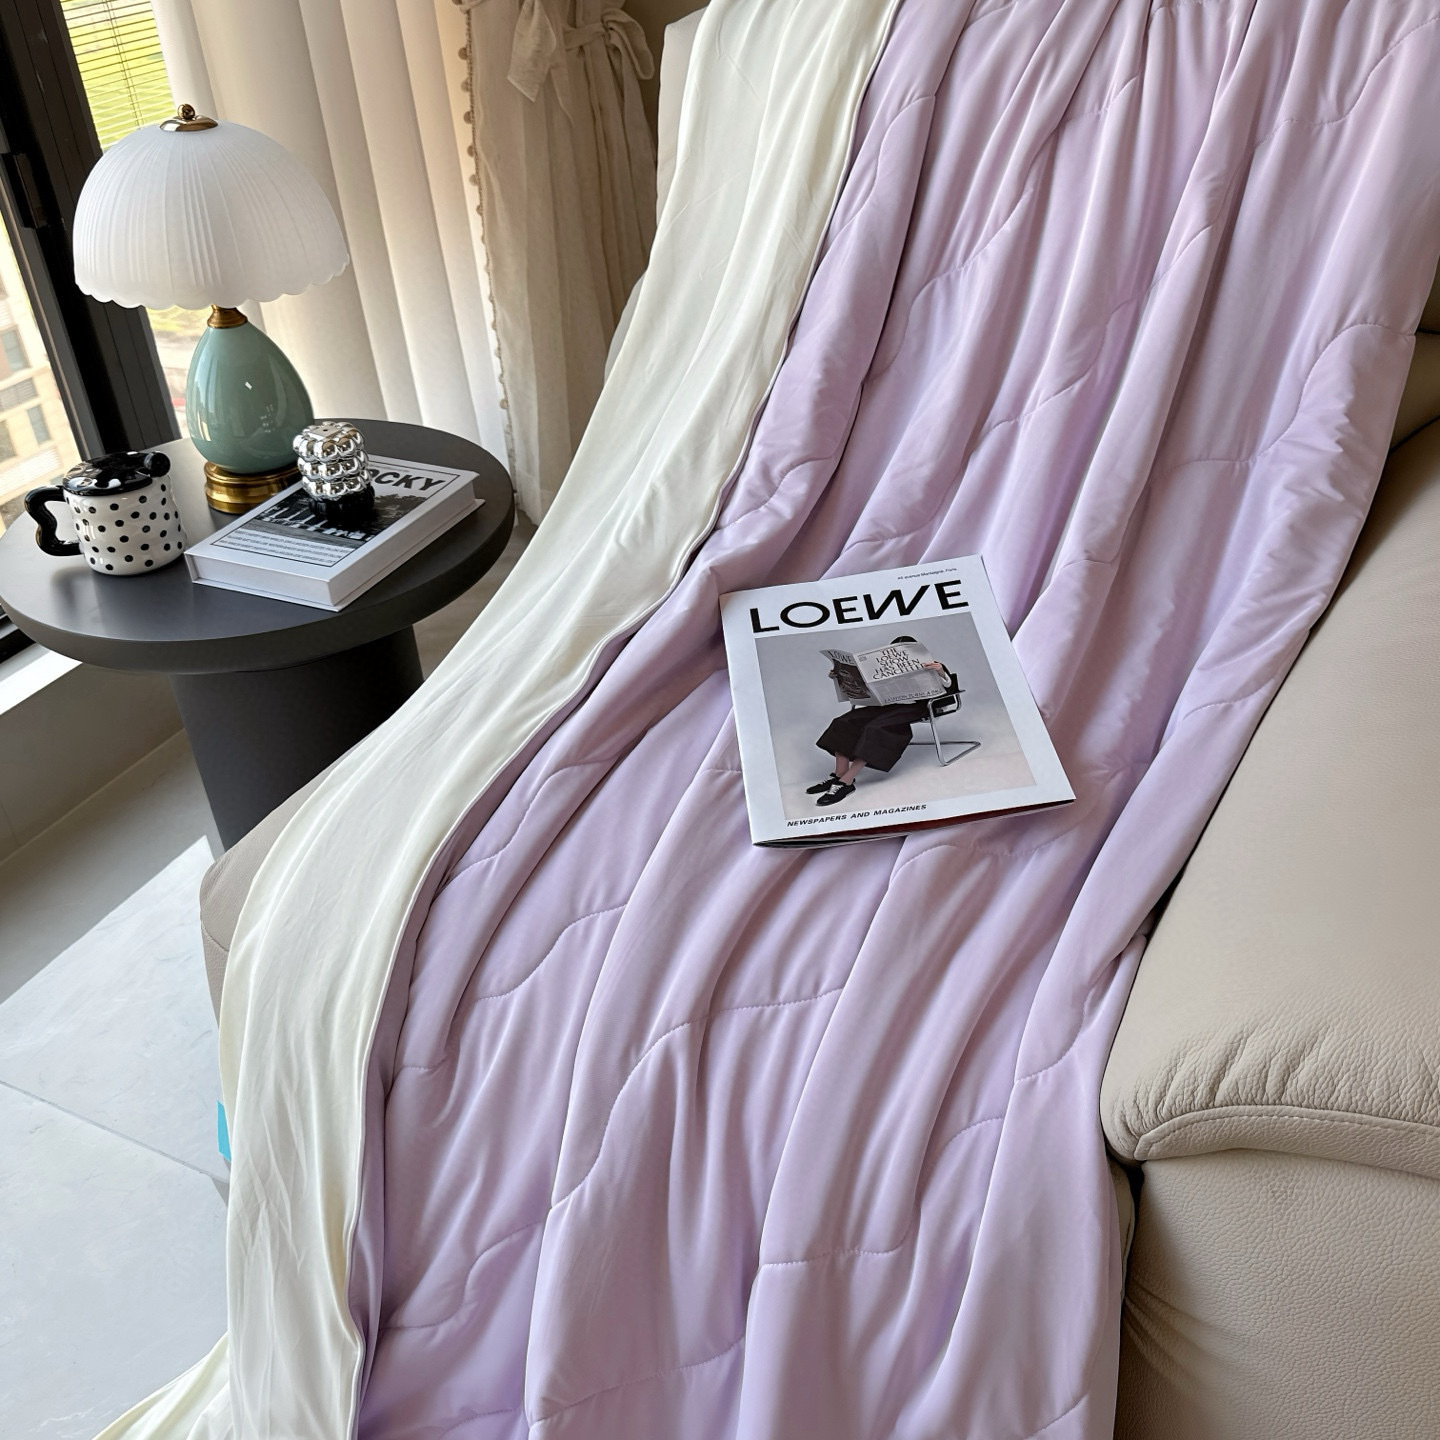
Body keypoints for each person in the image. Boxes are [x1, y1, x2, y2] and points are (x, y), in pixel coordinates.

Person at [809, 635, 957, 806]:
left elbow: (949, 687)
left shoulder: (934, 665)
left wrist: (940, 672)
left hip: (918, 706)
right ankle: (839, 774)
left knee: (876, 729)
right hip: (887, 705)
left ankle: (846, 782)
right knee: (843, 722)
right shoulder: (885, 668)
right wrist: (839, 677)